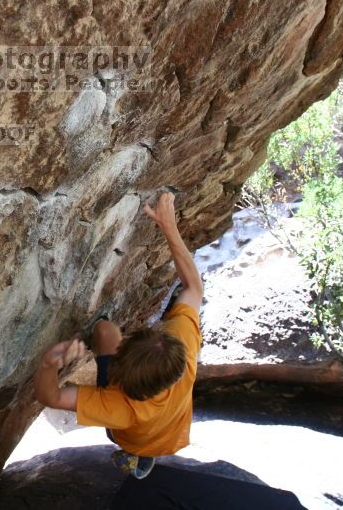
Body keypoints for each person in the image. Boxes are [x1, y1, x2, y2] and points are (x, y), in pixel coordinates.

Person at [33, 191, 203, 479]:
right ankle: (143, 457)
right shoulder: (182, 348)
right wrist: (168, 227)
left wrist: (49, 364)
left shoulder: (118, 407)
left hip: (128, 434)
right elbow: (194, 288)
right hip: (171, 431)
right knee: (147, 441)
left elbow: (51, 396)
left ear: (118, 375)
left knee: (103, 331)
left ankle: (135, 454)